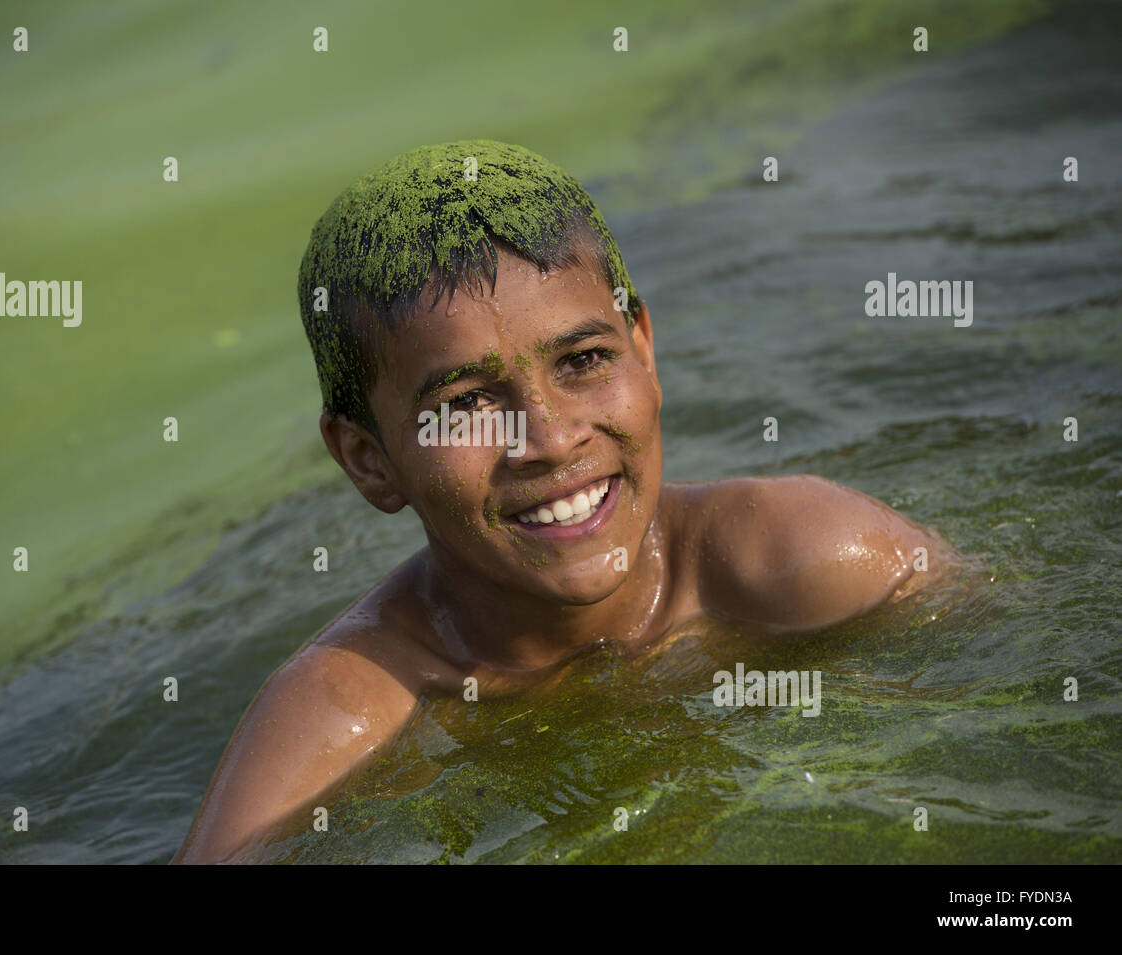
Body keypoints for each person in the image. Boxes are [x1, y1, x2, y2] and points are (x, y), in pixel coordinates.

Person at [173, 139, 947, 864]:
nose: (547, 438)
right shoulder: (349, 711)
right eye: (468, 403)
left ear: (643, 351)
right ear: (368, 460)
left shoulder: (810, 558)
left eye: (582, 359)